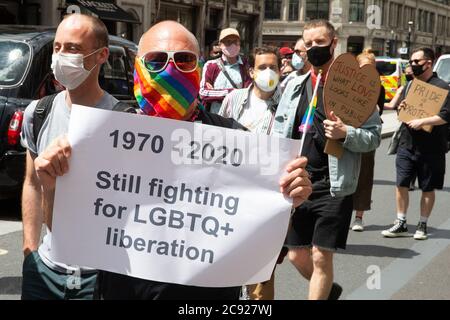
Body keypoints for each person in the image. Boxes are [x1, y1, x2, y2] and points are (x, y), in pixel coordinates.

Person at [87, 20, 310, 299]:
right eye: (156, 61)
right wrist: (52, 182)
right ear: (137, 67)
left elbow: (262, 244)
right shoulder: (106, 137)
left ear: (200, 68)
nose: (170, 70)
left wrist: (287, 203)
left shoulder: (234, 139)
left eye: (183, 60)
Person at [20, 14, 133, 300]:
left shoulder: (125, 122)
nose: (60, 56)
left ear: (101, 56)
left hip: (100, 276)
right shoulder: (38, 113)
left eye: (72, 48)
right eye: (57, 48)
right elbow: (32, 183)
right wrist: (30, 250)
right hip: (45, 270)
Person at [272, 20, 382, 300]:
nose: (313, 49)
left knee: (321, 257)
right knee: (297, 255)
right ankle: (327, 290)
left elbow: (373, 136)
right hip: (298, 182)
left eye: (319, 43)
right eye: (308, 44)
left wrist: (347, 133)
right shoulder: (294, 85)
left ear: (334, 44)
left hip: (334, 183)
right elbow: (278, 130)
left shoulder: (354, 87)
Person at [219, 46, 282, 299]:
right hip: (230, 191)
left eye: (273, 67)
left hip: (266, 196)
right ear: (251, 71)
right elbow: (217, 137)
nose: (268, 72)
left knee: (261, 274)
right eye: (263, 67)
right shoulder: (233, 100)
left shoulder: (287, 103)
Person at [381, 47, 450, 240]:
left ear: (428, 63)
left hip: (432, 147)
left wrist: (424, 121)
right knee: (401, 183)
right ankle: (401, 221)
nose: (412, 65)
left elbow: (445, 116)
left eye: (416, 62)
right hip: (407, 143)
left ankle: (422, 224)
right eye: (411, 61)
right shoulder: (411, 85)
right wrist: (402, 108)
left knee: (427, 187)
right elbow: (402, 111)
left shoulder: (442, 87)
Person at [350, 50, 385, 232]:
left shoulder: (379, 87)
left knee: (364, 176)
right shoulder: (347, 85)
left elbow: (380, 108)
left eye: (371, 68)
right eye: (363, 68)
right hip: (347, 134)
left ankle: (359, 217)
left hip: (366, 135)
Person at [199, 28, 251, 114]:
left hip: (238, 117)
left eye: (235, 41)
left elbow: (248, 93)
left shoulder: (246, 66)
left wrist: (216, 93)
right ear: (220, 45)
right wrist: (232, 92)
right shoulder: (211, 65)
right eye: (228, 42)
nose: (232, 45)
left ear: (239, 44)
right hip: (215, 118)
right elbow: (203, 93)